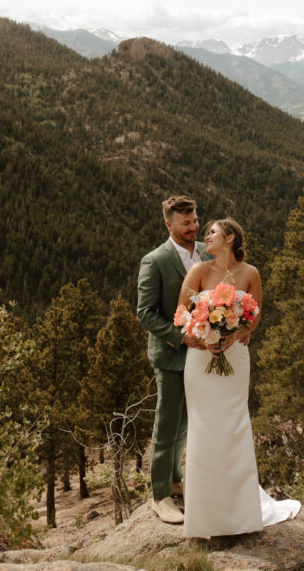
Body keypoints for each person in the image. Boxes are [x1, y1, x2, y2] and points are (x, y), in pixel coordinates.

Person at [177, 218, 301, 538]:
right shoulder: (199, 272)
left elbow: (255, 316)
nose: (206, 236)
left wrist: (236, 334)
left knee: (234, 427)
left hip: (235, 357)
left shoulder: (251, 274)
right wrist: (204, 338)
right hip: (201, 361)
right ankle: (204, 518)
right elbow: (182, 314)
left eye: (213, 233)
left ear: (230, 239)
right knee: (203, 430)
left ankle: (240, 514)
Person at [137, 195, 209, 524]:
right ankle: (159, 496)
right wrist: (181, 336)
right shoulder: (155, 261)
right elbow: (145, 313)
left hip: (202, 354)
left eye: (195, 221)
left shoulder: (207, 254)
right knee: (166, 426)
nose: (194, 227)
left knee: (184, 424)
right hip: (170, 355)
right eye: (186, 223)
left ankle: (176, 480)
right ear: (169, 225)